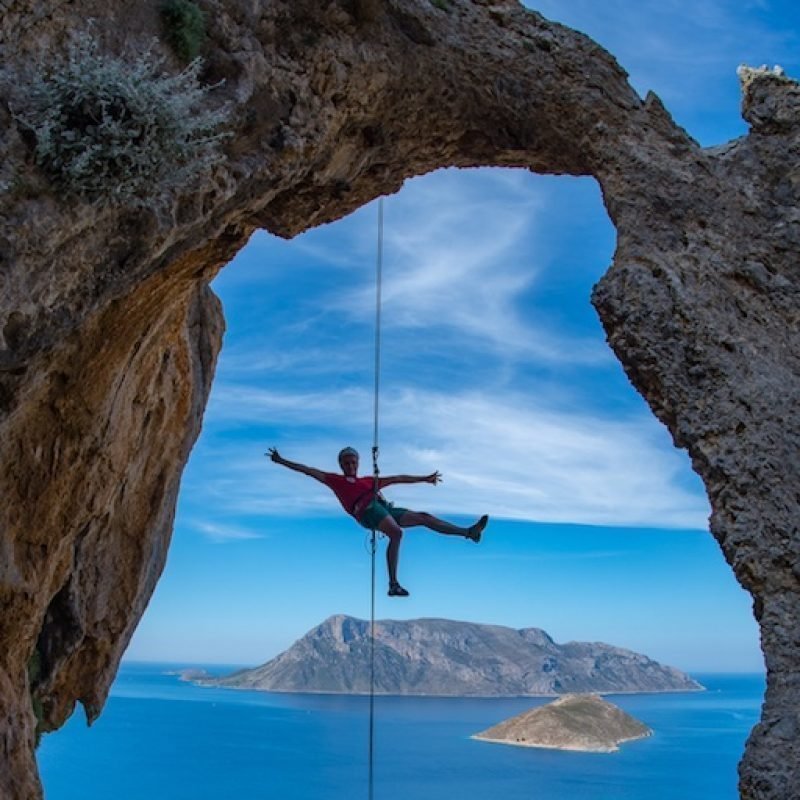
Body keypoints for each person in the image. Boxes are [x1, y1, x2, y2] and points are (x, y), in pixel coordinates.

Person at [267, 446, 488, 597]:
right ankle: (393, 584)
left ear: (358, 462)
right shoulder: (335, 481)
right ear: (341, 465)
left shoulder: (368, 481)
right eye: (346, 462)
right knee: (397, 533)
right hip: (366, 510)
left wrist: (425, 478)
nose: (350, 465)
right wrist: (280, 460)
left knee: (424, 518)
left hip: (383, 507)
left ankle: (469, 533)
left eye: (353, 461)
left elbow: (398, 478)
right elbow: (307, 471)